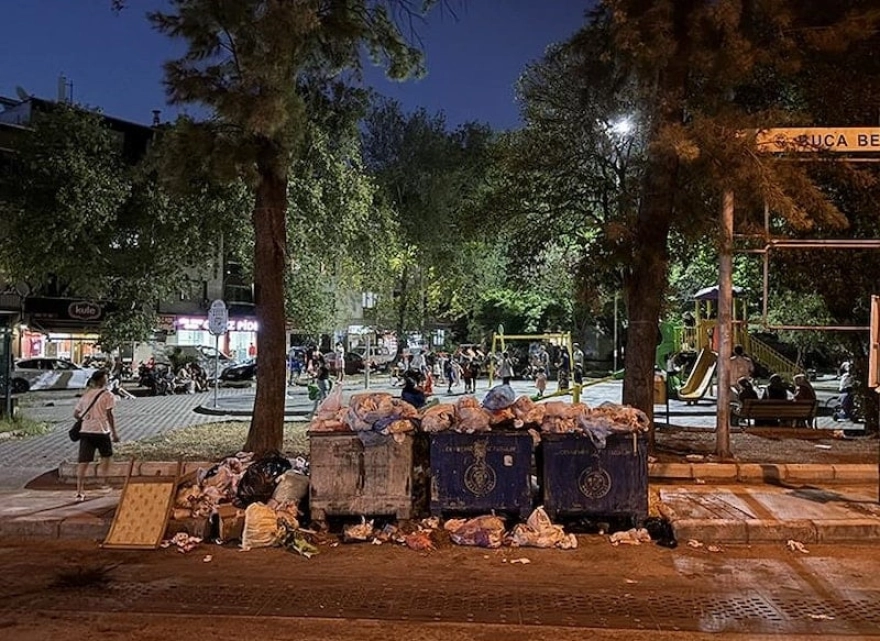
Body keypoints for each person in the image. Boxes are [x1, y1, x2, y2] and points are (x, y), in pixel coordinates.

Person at [73, 370, 119, 502]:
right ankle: (103, 481)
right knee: (106, 457)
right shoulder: (108, 396)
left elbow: (76, 414)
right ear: (102, 380)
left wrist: (85, 418)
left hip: (86, 431)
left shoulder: (86, 395)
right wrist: (114, 432)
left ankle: (79, 491)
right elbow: (110, 415)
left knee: (83, 462)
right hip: (102, 431)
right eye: (106, 378)